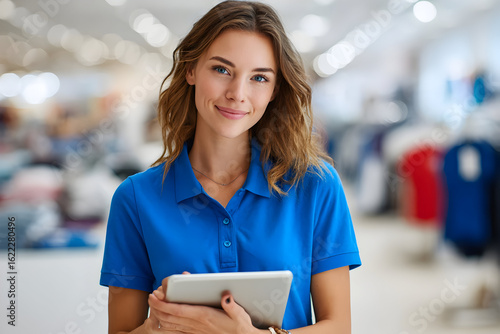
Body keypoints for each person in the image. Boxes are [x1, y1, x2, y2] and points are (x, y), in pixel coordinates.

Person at [100, 1, 361, 333]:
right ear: (191, 69)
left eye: (259, 78)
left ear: (274, 89)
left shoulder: (315, 186)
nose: (238, 93)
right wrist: (157, 327)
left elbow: (338, 327)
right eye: (222, 70)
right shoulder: (136, 199)